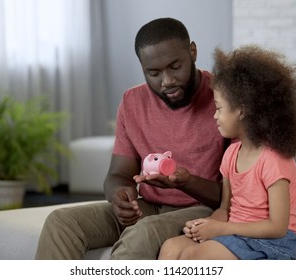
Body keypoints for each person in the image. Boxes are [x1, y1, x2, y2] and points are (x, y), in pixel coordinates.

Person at [35, 17, 228, 260]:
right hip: (148, 206)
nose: (167, 81)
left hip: (202, 211)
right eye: (154, 73)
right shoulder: (132, 102)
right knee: (61, 222)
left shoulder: (224, 99)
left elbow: (235, 196)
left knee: (142, 233)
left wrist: (186, 182)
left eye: (175, 66)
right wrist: (120, 197)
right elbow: (117, 175)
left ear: (193, 51)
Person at [158, 45, 296, 260]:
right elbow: (225, 208)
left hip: (274, 242)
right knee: (170, 248)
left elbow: (277, 227)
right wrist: (207, 224)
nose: (214, 116)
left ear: (241, 110)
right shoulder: (231, 153)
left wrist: (221, 230)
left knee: (193, 257)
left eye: (219, 108)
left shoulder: (273, 160)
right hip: (234, 233)